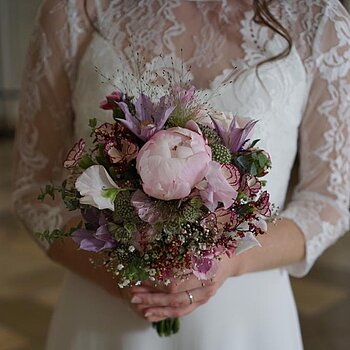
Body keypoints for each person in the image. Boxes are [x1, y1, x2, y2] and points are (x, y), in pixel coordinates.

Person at [13, 0, 350, 349]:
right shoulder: (75, 10)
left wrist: (230, 261)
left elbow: (329, 200)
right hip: (104, 316)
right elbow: (33, 189)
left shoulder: (317, 18)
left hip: (245, 322)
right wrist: (117, 277)